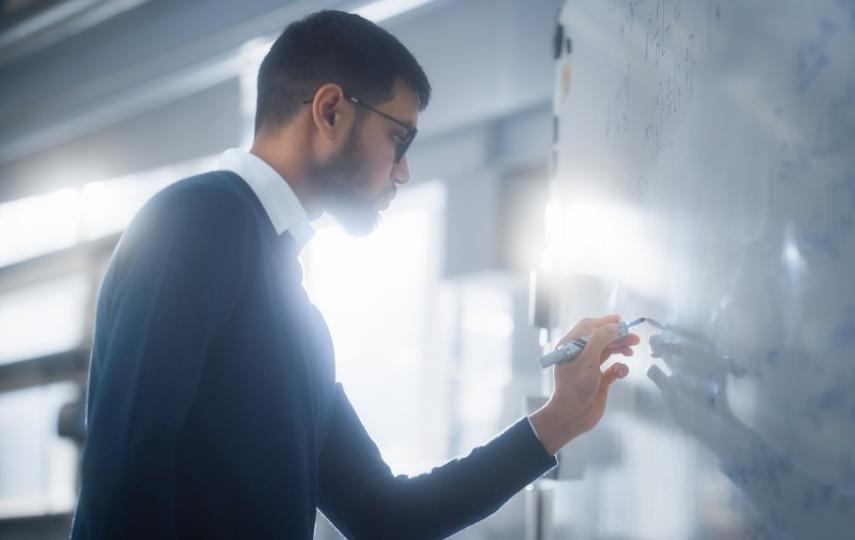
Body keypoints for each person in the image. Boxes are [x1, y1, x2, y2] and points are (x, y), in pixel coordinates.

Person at [70, 10, 639, 539]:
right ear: (330, 110)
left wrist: (558, 420)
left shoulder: (296, 316)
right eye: (400, 137)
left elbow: (384, 516)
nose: (404, 170)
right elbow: (122, 486)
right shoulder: (195, 222)